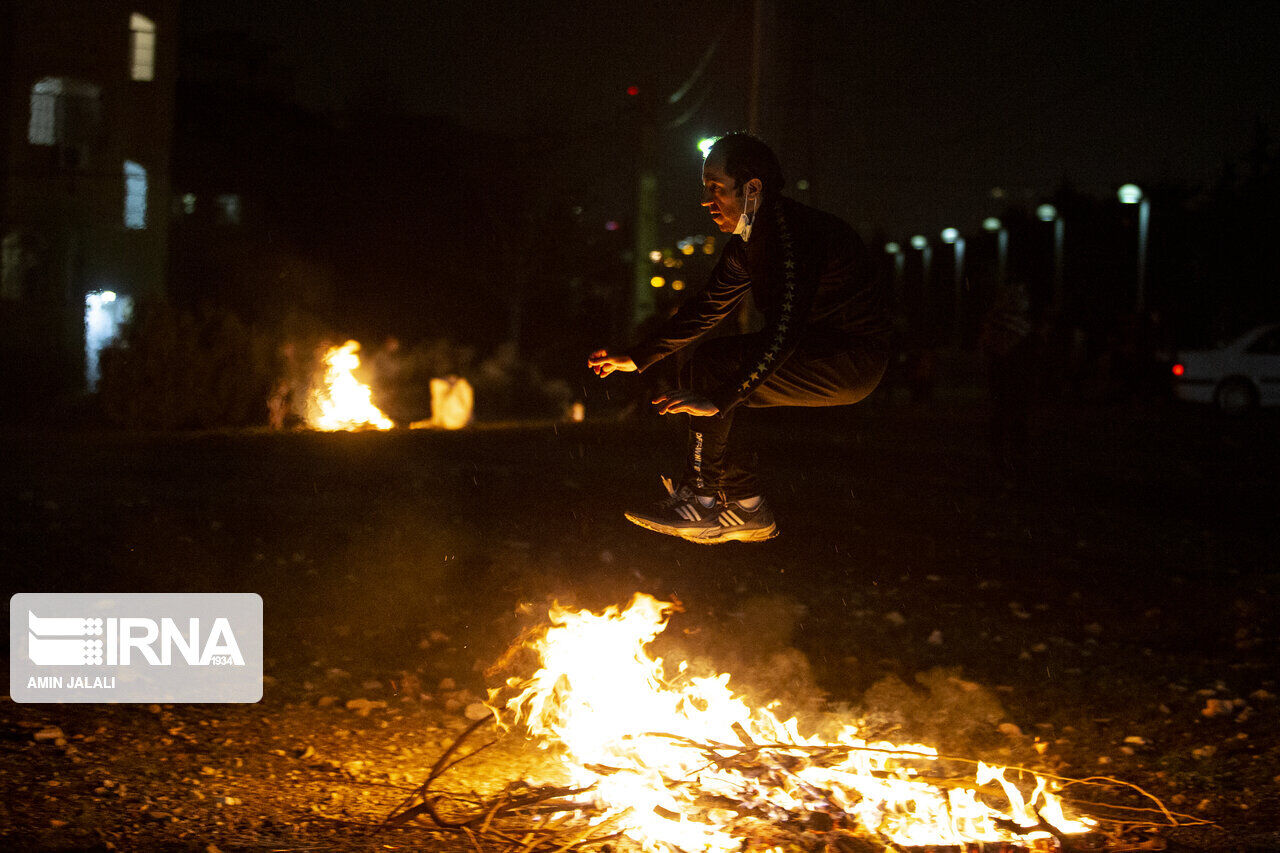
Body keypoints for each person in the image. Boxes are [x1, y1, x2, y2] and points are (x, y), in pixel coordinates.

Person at [588, 133, 891, 543]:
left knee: (718, 369)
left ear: (752, 189)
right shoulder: (749, 242)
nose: (706, 201)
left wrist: (721, 396)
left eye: (716, 189)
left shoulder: (790, 235)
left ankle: (703, 498)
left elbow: (786, 328)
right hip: (820, 351)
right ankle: (745, 506)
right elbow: (708, 308)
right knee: (713, 370)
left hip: (849, 359)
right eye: (704, 189)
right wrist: (638, 356)